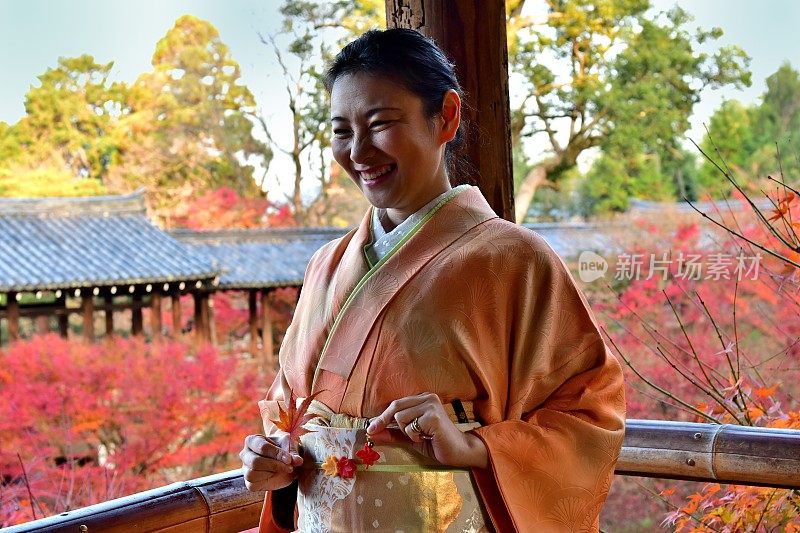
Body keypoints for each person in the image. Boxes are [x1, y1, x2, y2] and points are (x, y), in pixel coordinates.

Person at [240, 28, 625, 532]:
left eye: (380, 124)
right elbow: (289, 410)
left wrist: (475, 446)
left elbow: (590, 412)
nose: (358, 151)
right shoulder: (326, 266)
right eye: (340, 131)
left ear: (445, 116)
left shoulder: (515, 260)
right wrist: (274, 454)